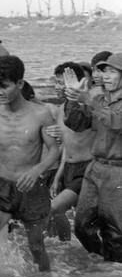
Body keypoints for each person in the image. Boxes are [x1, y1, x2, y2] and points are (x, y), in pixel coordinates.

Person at [0, 56, 60, 272]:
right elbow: (1, 149)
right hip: (3, 184)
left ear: (19, 84)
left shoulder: (41, 113)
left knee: (35, 246)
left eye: (4, 86)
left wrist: (37, 171)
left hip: (32, 188)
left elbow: (54, 150)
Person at [63, 52, 122, 261]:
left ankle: (113, 270)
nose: (105, 76)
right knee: (81, 226)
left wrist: (88, 99)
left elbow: (116, 123)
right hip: (95, 167)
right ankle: (102, 261)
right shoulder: (98, 97)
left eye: (112, 72)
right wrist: (73, 100)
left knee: (115, 231)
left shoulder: (96, 99)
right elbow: (76, 124)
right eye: (103, 71)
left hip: (118, 171)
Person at [46, 62, 95, 241]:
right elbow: (66, 147)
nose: (57, 87)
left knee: (54, 208)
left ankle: (70, 246)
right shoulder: (60, 110)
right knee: (56, 215)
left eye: (62, 83)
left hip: (88, 169)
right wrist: (58, 177)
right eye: (56, 82)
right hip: (68, 168)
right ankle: (64, 248)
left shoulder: (88, 106)